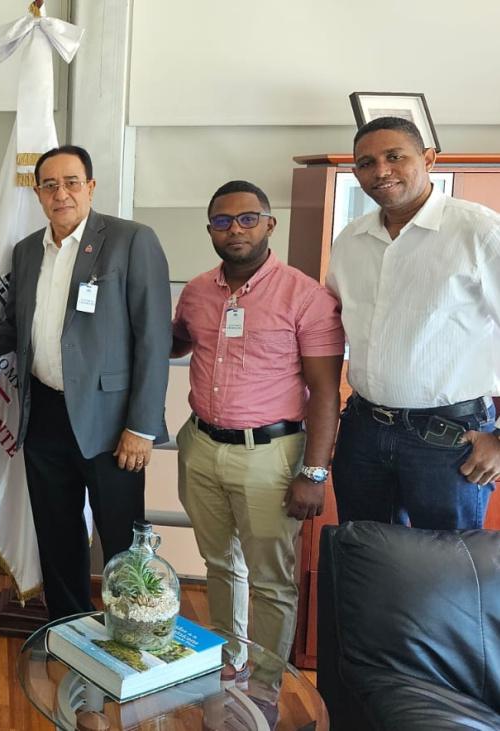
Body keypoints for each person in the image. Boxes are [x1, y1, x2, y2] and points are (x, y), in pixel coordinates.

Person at [172, 180, 343, 682]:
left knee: (270, 580)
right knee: (220, 564)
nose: (236, 230)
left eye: (248, 219)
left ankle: (266, 685)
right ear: (210, 230)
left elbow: (326, 392)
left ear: (270, 224)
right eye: (222, 221)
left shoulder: (306, 296)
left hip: (270, 455)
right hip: (202, 447)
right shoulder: (197, 291)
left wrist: (314, 473)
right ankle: (228, 664)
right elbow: (177, 343)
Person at [0, 144, 172, 620]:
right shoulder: (27, 251)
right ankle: (68, 627)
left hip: (111, 422)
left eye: (72, 182)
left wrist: (141, 426)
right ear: (37, 193)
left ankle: (131, 634)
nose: (61, 194)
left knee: (122, 539)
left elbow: (153, 338)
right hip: (44, 414)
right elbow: (15, 329)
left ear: (90, 187)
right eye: (49, 185)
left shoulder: (131, 240)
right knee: (57, 534)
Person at [326, 116, 500, 529]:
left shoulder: (478, 231)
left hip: (450, 438)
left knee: (447, 563)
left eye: (394, 157)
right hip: (364, 430)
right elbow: (329, 322)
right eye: (366, 163)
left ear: (428, 159)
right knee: (365, 555)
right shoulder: (351, 240)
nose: (381, 171)